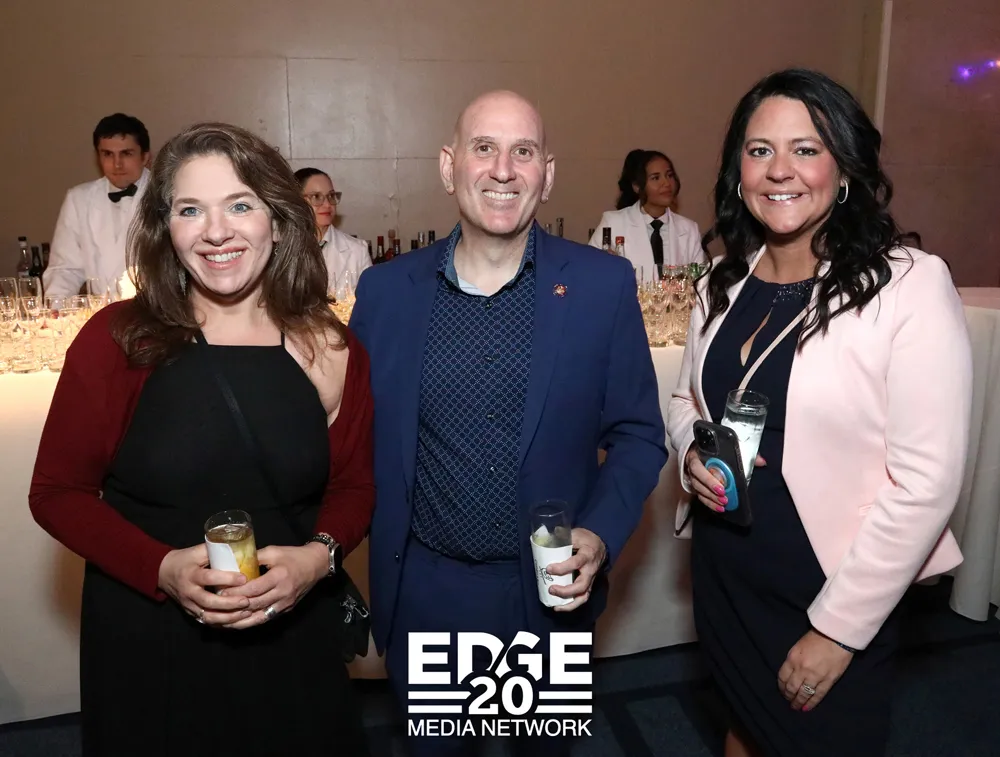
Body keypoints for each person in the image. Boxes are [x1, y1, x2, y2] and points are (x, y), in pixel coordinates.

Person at [29, 122, 373, 757]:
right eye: (190, 210)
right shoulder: (117, 340)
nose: (216, 231)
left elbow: (354, 486)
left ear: (279, 220)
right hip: (150, 640)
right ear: (166, 227)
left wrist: (317, 559)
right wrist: (160, 568)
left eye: (240, 205)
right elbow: (56, 493)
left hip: (291, 636)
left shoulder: (330, 346)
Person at [349, 90, 666, 756]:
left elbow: (639, 435)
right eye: (484, 148)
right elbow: (349, 439)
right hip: (431, 594)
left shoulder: (602, 286)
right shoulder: (386, 293)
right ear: (449, 166)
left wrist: (600, 534)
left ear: (546, 174)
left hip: (548, 594)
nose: (502, 170)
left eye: (523, 152)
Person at [667, 69, 972, 757]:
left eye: (806, 149)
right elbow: (687, 400)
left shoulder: (908, 285)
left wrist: (838, 629)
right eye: (760, 150)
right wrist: (690, 451)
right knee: (742, 729)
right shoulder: (721, 282)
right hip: (725, 570)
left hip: (831, 587)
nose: (780, 170)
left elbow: (926, 482)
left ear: (845, 169)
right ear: (738, 172)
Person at [45, 113, 152, 297]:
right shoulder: (79, 199)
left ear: (145, 157)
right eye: (108, 154)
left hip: (153, 311)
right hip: (100, 310)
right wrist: (57, 308)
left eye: (126, 154)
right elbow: (64, 270)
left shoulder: (167, 195)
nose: (117, 164)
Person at [588, 149, 703, 281]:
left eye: (669, 175)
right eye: (656, 178)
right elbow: (589, 271)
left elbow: (701, 281)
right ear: (637, 186)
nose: (666, 183)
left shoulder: (689, 229)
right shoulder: (613, 223)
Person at [294, 167, 371, 293]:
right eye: (316, 197)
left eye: (331, 196)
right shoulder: (278, 249)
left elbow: (370, 301)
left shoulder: (357, 251)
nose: (327, 204)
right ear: (296, 201)